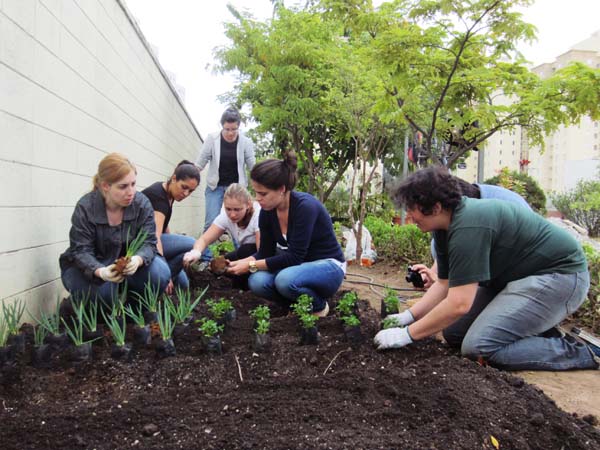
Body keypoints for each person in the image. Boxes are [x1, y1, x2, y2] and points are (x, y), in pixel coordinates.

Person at [374, 166, 598, 371]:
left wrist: (405, 335)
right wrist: (407, 317)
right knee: (454, 333)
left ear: (435, 207)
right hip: (514, 280)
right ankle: (534, 326)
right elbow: (444, 283)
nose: (409, 216)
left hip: (559, 277)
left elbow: (459, 303)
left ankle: (584, 352)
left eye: (412, 209)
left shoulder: (469, 226)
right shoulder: (443, 228)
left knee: (479, 347)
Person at [227, 152, 346, 316]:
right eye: (255, 192)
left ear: (282, 189)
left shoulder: (305, 207)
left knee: (284, 280)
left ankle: (318, 306)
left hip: (328, 267)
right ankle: (296, 307)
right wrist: (239, 263)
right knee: (257, 281)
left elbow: (294, 257)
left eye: (263, 193)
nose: (257, 199)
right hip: (296, 269)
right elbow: (265, 252)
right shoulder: (267, 212)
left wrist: (250, 265)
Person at [60, 153, 170, 304]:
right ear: (105, 186)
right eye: (123, 186)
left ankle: (134, 308)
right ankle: (73, 307)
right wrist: (101, 272)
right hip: (90, 268)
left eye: (133, 184)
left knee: (160, 274)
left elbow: (149, 241)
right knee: (103, 298)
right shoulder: (86, 208)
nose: (131, 192)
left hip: (127, 268)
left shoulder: (141, 204)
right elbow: (80, 251)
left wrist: (137, 260)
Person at [411, 178, 532, 288]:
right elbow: (447, 250)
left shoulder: (492, 209)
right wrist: (432, 275)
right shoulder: (455, 213)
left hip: (524, 270)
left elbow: (461, 301)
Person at [195, 107, 256, 261]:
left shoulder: (245, 142)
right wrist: (190, 177)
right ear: (222, 126)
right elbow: (200, 162)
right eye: (227, 129)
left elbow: (252, 166)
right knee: (210, 221)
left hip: (237, 190)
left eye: (234, 129)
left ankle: (240, 257)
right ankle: (205, 259)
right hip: (215, 187)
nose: (230, 133)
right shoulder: (212, 139)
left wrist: (258, 187)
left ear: (238, 127)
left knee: (239, 221)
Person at [182, 183, 261, 288]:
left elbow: (262, 253)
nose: (232, 214)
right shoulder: (225, 217)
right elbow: (204, 239)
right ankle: (239, 287)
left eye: (237, 209)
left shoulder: (258, 215)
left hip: (266, 255)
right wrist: (196, 252)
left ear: (248, 205)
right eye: (228, 209)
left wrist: (244, 265)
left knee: (245, 252)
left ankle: (251, 282)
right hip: (247, 253)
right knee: (219, 265)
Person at [142, 160, 200, 293]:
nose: (186, 194)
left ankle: (165, 279)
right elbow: (155, 237)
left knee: (183, 285)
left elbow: (164, 227)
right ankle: (160, 281)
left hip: (153, 241)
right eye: (184, 187)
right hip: (143, 243)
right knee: (193, 244)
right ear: (174, 178)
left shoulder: (169, 194)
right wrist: (164, 270)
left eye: (190, 191)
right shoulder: (158, 197)